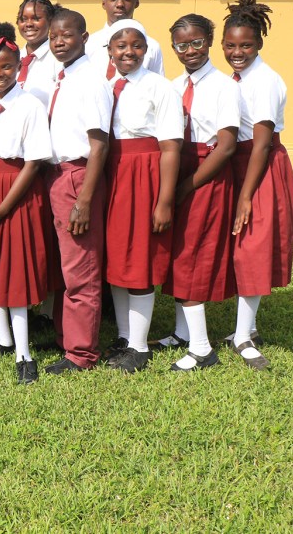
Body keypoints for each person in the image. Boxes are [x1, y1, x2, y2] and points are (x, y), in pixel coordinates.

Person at [156, 14, 240, 371]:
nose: (189, 50)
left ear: (209, 41)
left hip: (206, 174)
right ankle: (182, 331)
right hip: (180, 166)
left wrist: (186, 187)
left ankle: (203, 349)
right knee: (178, 252)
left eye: (196, 43)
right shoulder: (173, 86)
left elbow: (226, 146)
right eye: (181, 45)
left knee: (192, 256)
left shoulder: (224, 86)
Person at [0, 24, 52, 384]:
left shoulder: (30, 105)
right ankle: (3, 340)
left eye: (5, 67)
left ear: (19, 67)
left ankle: (23, 352)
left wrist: (3, 207)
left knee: (15, 271)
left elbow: (34, 162)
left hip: (16, 191)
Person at [103, 20, 183, 373]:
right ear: (110, 52)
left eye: (136, 45)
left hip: (143, 173)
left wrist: (163, 200)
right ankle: (124, 336)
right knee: (118, 258)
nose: (128, 52)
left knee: (140, 259)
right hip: (113, 172)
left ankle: (140, 346)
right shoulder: (106, 87)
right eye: (120, 46)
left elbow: (170, 146)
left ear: (146, 50)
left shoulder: (159, 87)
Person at [223, 0, 293, 370]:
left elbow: (263, 142)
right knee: (241, 247)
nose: (238, 51)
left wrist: (246, 196)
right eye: (231, 45)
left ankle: (243, 336)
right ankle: (242, 328)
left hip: (259, 166)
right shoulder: (233, 78)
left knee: (252, 247)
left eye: (246, 45)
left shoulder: (264, 81)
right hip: (240, 162)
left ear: (259, 44)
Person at [43, 8, 111, 376]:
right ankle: (64, 337)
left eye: (66, 35)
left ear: (84, 38)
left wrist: (84, 199)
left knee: (80, 268)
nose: (58, 41)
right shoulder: (64, 77)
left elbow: (99, 145)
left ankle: (81, 353)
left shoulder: (91, 80)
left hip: (77, 178)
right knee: (65, 265)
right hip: (56, 176)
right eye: (54, 35)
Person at [84, 0, 165, 78]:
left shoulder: (152, 46)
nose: (120, 4)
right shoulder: (89, 44)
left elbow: (157, 85)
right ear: (104, 3)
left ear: (136, 2)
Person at [15, 0, 59, 108]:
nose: (28, 24)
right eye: (23, 19)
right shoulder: (14, 58)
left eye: (36, 18)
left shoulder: (57, 59)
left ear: (51, 21)